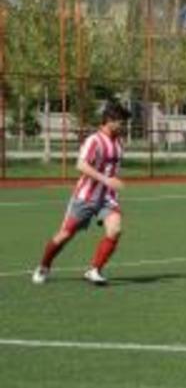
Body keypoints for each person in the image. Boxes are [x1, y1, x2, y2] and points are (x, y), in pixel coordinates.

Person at [32, 102, 131, 286]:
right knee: (64, 235)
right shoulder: (94, 140)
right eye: (120, 122)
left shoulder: (119, 142)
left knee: (115, 229)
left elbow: (112, 169)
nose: (123, 126)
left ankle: (94, 270)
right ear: (109, 120)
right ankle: (44, 266)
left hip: (107, 198)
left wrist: (111, 182)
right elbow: (81, 165)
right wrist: (106, 180)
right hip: (85, 197)